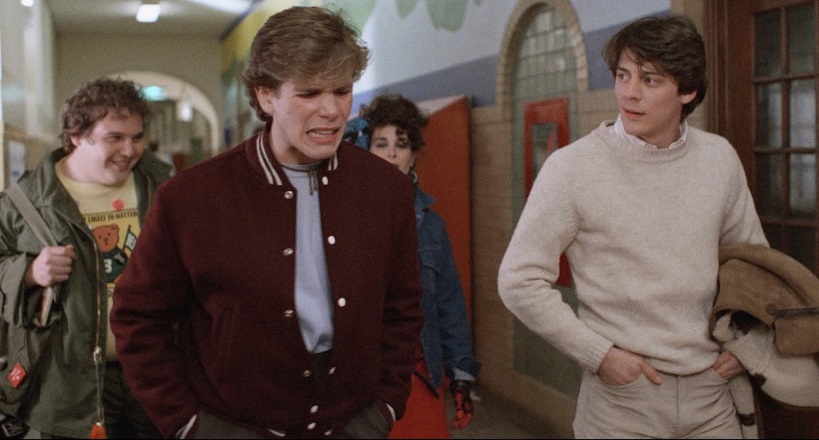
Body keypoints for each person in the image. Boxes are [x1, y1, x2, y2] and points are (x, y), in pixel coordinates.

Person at [109, 6, 423, 439]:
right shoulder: (190, 198)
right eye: (309, 93)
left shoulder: (386, 190)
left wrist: (383, 408)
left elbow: (403, 309)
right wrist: (188, 424)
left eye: (342, 90)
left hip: (354, 423)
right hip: (230, 423)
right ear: (265, 96)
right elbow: (138, 320)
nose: (332, 111)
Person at [497, 14, 769, 439]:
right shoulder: (572, 168)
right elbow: (518, 280)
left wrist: (749, 348)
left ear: (688, 90)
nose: (629, 92)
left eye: (650, 80)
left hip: (711, 392)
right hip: (621, 400)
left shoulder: (718, 158)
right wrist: (599, 354)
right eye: (623, 75)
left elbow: (754, 267)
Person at [0, 77, 172, 438]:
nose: (129, 150)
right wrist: (29, 272)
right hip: (65, 390)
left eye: (137, 137)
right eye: (114, 137)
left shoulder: (161, 188)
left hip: (153, 379)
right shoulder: (26, 203)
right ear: (77, 135)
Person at [346, 94, 481, 438]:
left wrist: (461, 376)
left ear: (414, 155)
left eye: (402, 144)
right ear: (365, 150)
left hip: (418, 377)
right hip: (361, 382)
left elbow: (449, 303)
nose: (391, 153)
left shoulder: (431, 227)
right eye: (381, 144)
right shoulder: (344, 219)